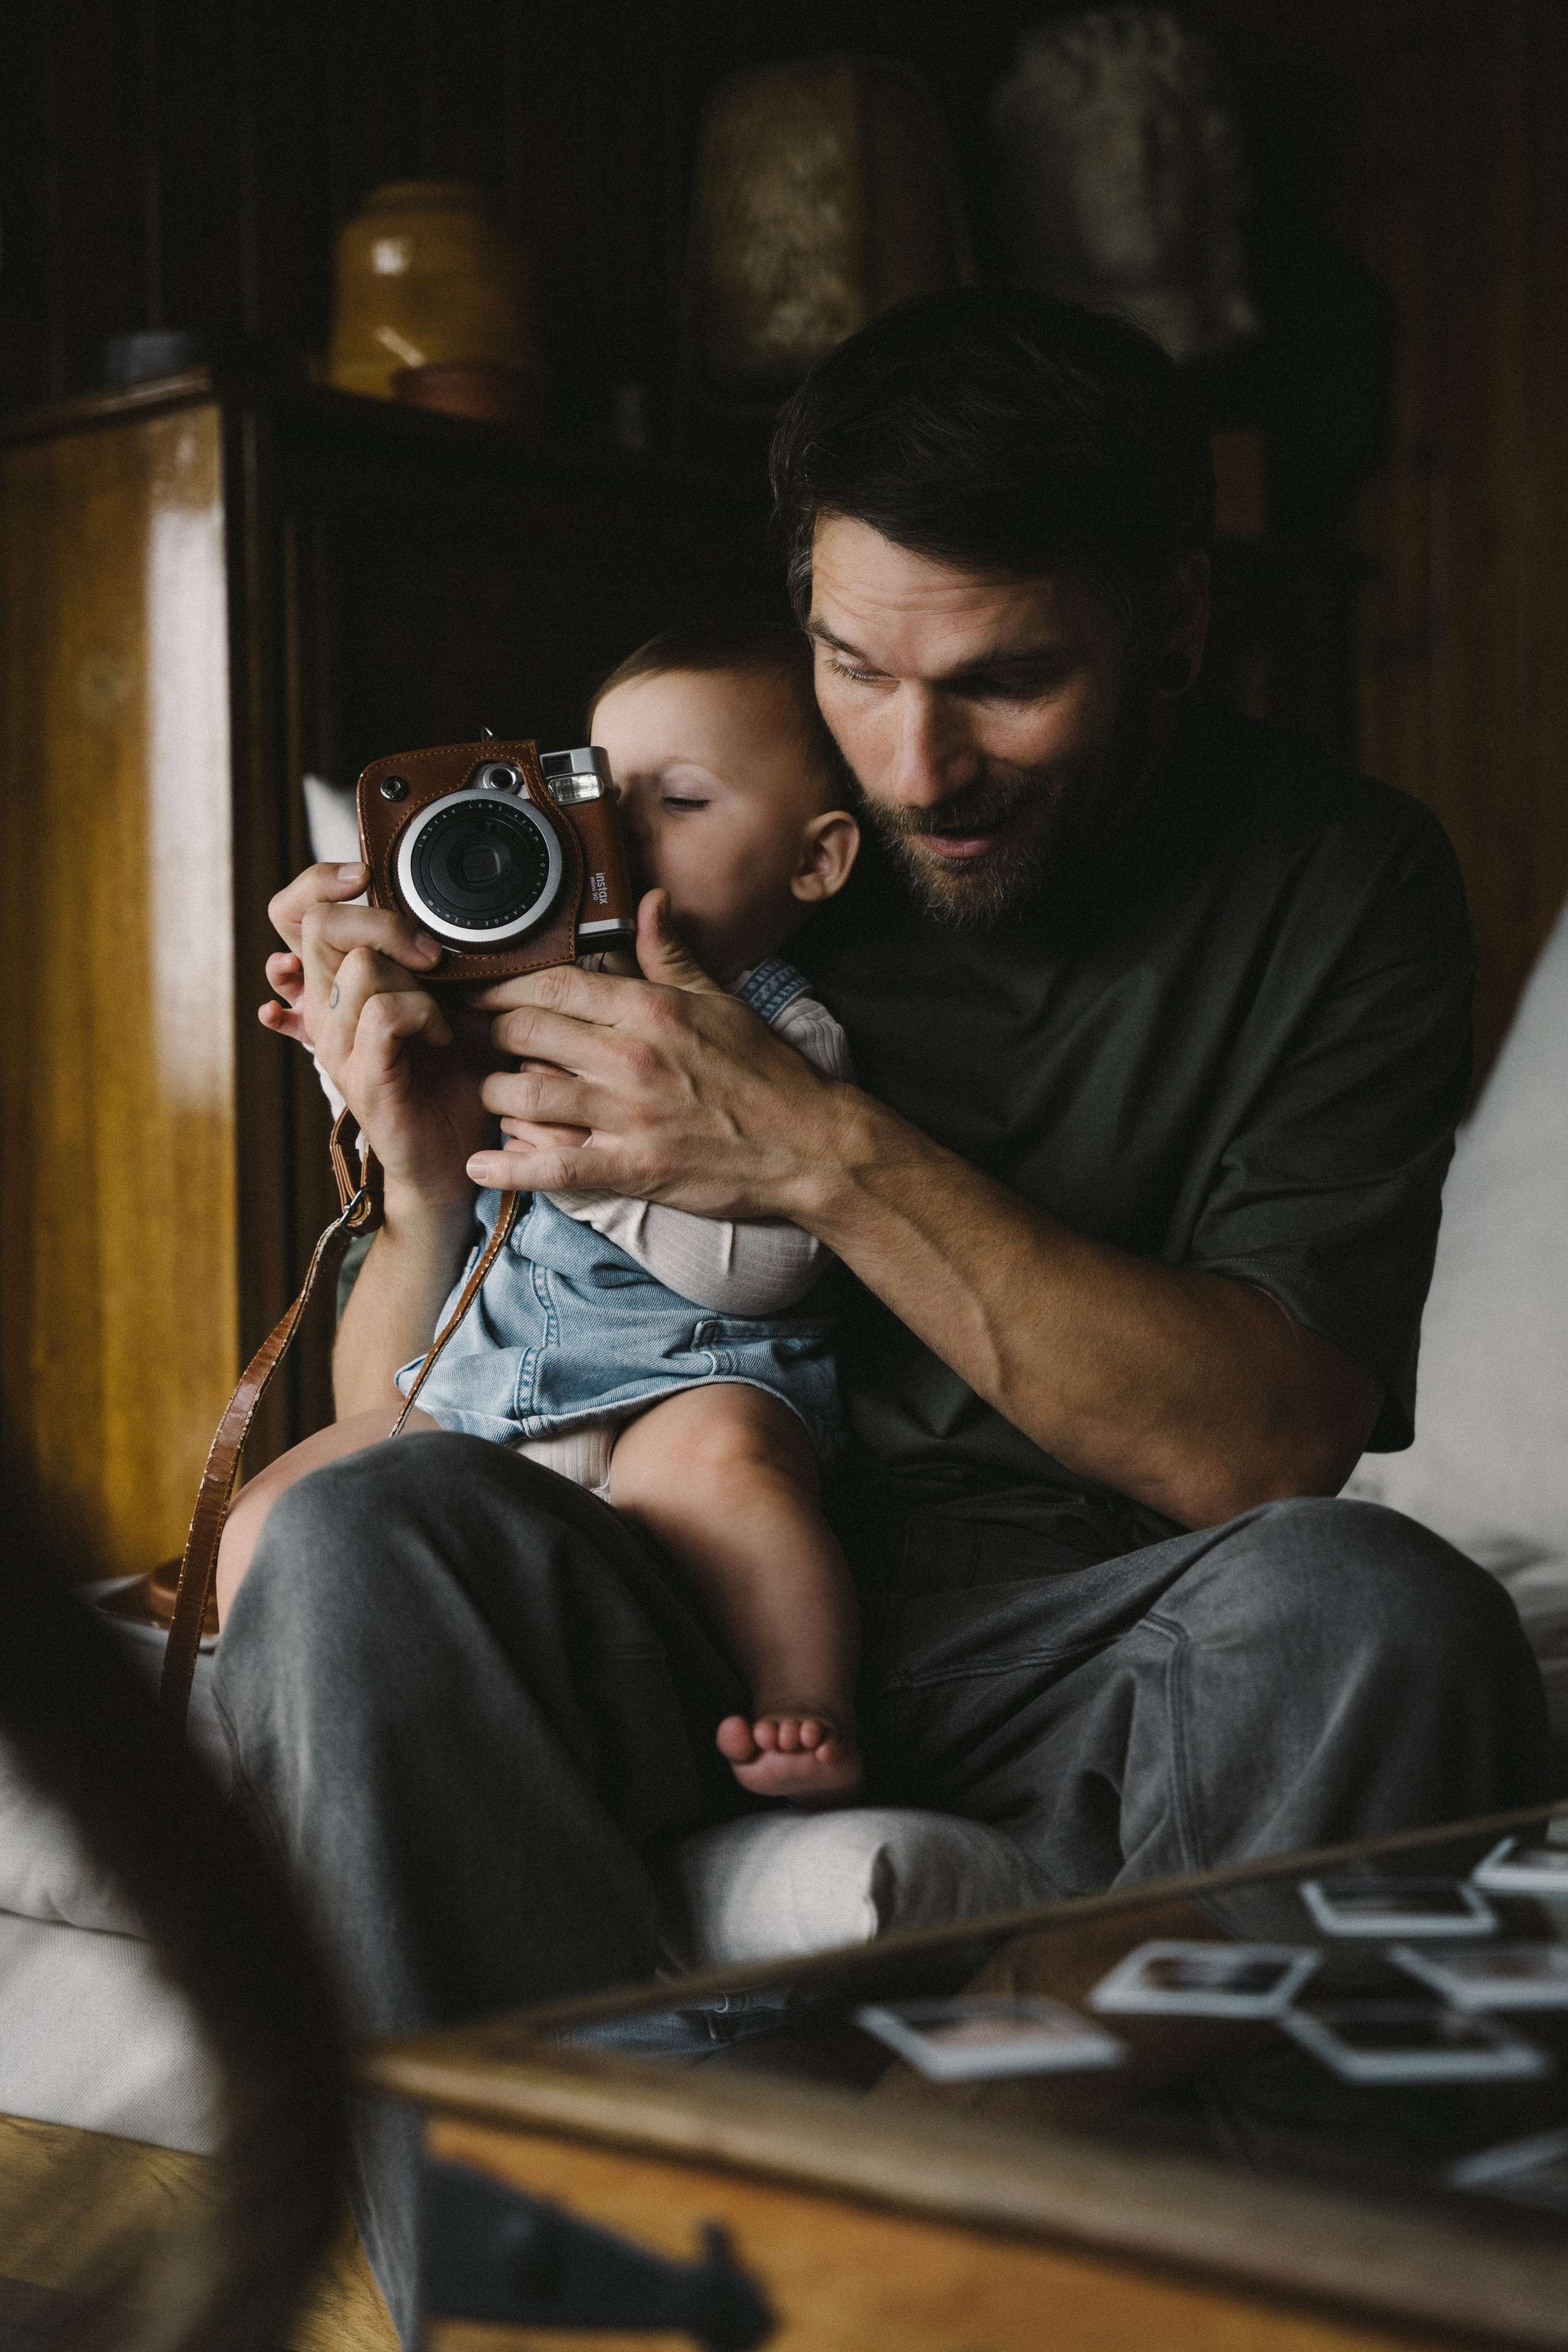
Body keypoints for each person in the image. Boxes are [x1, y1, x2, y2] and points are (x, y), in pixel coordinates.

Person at [217, 289, 1548, 2341]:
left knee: (1383, 1612)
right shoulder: (665, 852)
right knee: (345, 1550)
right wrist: (407, 1156)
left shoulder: (1336, 882)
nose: (919, 765)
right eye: (856, 667)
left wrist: (816, 1151)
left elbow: (1263, 1440)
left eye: (1008, 682)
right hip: (662, 1585)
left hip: (1092, 1635)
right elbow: (442, 1381)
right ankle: (584, 2304)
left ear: (1172, 624)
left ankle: (1188, 2277)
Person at [222, 627, 869, 1802]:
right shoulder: (519, 985)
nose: (618, 841)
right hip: (488, 1397)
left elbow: (763, 1274)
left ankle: (802, 1702)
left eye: (678, 802)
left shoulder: (785, 1038)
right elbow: (437, 1168)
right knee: (286, 1505)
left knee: (728, 1476)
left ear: (814, 862)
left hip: (688, 1378)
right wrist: (349, 1057)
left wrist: (585, 1169)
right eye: (592, 804)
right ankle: (279, 1704)